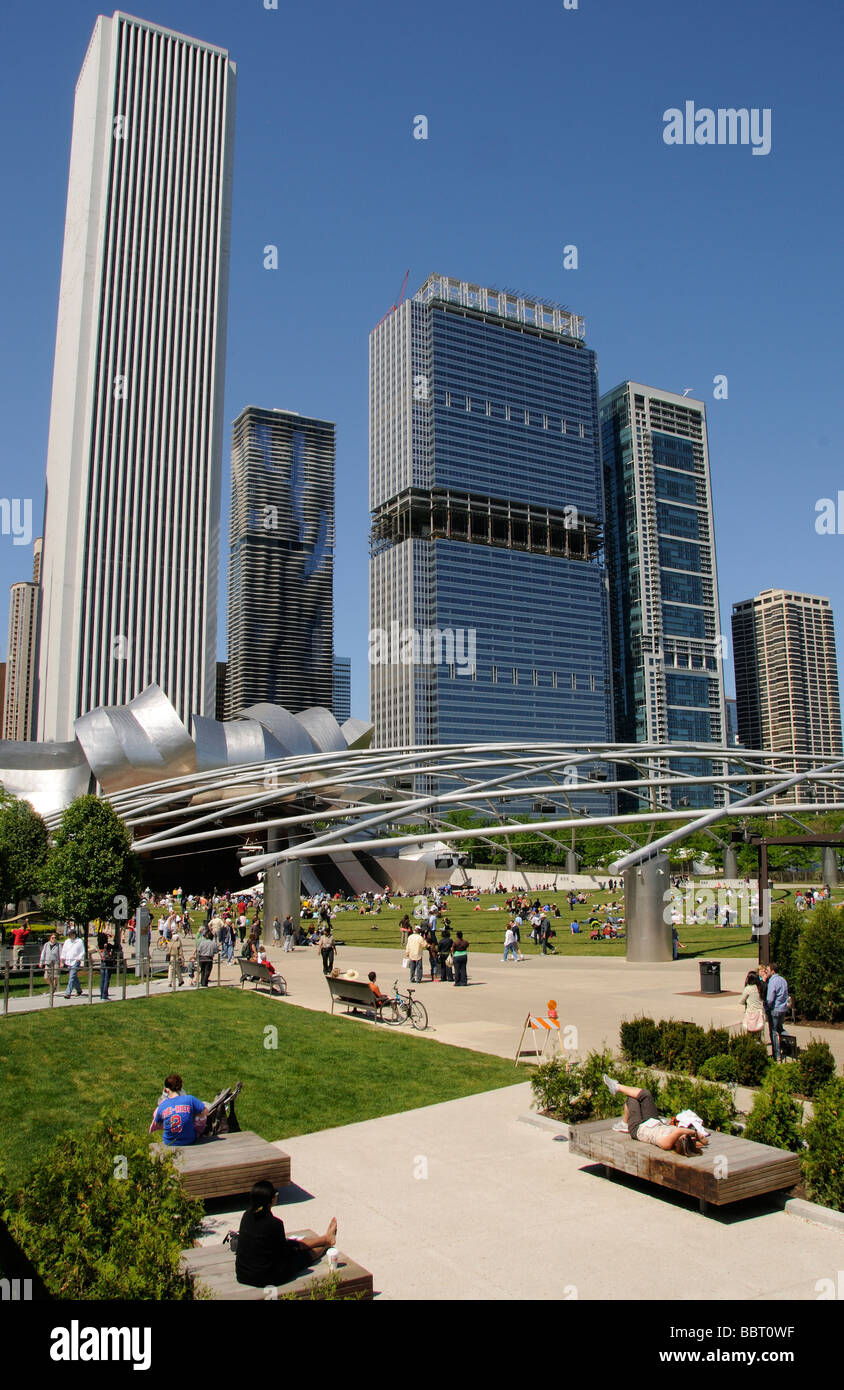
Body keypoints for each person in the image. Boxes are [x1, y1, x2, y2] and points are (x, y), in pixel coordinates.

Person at [235, 1180, 337, 1290]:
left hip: (243, 1275)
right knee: (302, 1256)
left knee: (294, 1244)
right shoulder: (275, 1223)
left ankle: (326, 1239)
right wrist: (296, 1246)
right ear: (272, 1199)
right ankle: (326, 1243)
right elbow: (283, 1253)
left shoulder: (246, 1216)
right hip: (268, 1278)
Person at [602, 1077, 708, 1154]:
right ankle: (616, 1087)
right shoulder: (686, 1143)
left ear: (678, 1143)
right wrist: (697, 1135)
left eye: (683, 1137)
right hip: (654, 1122)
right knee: (646, 1095)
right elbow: (705, 1141)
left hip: (638, 1128)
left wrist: (690, 1131)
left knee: (632, 1098)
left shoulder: (667, 1144)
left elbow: (679, 1131)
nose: (684, 1136)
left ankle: (625, 1124)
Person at [149, 1074, 208, 1146]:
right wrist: (193, 1115)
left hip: (169, 1142)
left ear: (166, 1090)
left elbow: (156, 1123)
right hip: (189, 1140)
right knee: (199, 1117)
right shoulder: (190, 1099)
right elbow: (205, 1111)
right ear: (180, 1087)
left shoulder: (162, 1105)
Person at [763, 962, 789, 1061]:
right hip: (782, 1008)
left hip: (774, 1009)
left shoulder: (773, 982)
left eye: (767, 970)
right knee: (780, 1028)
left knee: (773, 1031)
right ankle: (789, 1044)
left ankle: (777, 1055)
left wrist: (767, 1007)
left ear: (773, 971)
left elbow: (770, 998)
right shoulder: (783, 980)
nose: (766, 972)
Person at [740, 970, 766, 1035]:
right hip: (760, 1012)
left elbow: (741, 1001)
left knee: (750, 1030)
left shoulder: (748, 989)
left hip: (751, 1012)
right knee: (758, 1031)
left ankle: (751, 1044)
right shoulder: (760, 987)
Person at [61, 928, 85, 999]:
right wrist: (62, 959)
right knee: (74, 977)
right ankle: (79, 990)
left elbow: (82, 951)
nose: (70, 936)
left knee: (71, 977)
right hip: (68, 961)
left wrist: (79, 958)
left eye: (71, 934)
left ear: (74, 934)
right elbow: (64, 951)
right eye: (69, 934)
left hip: (76, 961)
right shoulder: (67, 941)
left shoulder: (79, 941)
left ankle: (68, 993)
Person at [99, 935, 117, 1000]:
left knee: (102, 980)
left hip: (102, 963)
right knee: (106, 979)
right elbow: (115, 946)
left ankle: (101, 994)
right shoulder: (107, 945)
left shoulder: (99, 946)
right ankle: (104, 995)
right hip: (108, 963)